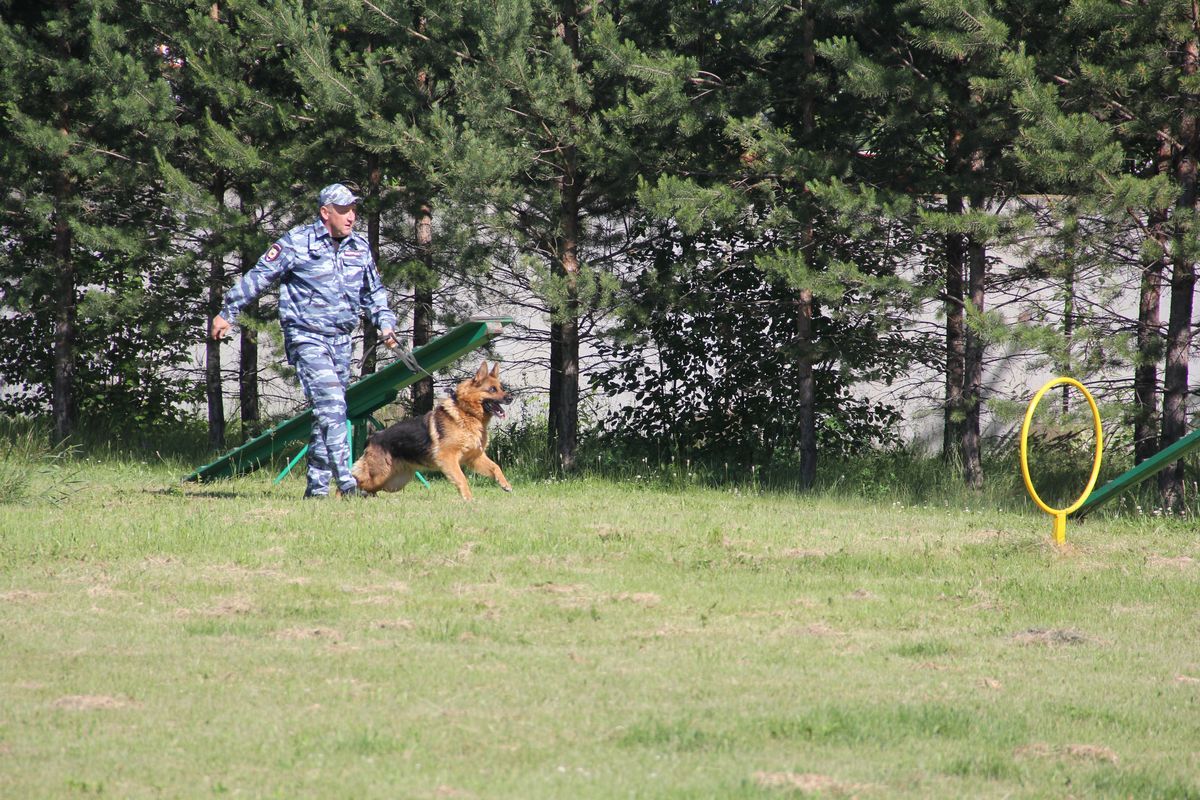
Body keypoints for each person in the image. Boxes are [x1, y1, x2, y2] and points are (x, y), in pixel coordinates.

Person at [210, 182, 418, 498]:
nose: (351, 216)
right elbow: (259, 276)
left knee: (328, 414)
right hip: (306, 338)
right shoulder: (296, 243)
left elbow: (373, 293)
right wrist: (228, 311)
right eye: (344, 210)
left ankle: (317, 491)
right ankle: (349, 485)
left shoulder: (358, 247)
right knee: (333, 406)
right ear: (325, 212)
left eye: (353, 209)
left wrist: (385, 323)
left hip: (341, 340)